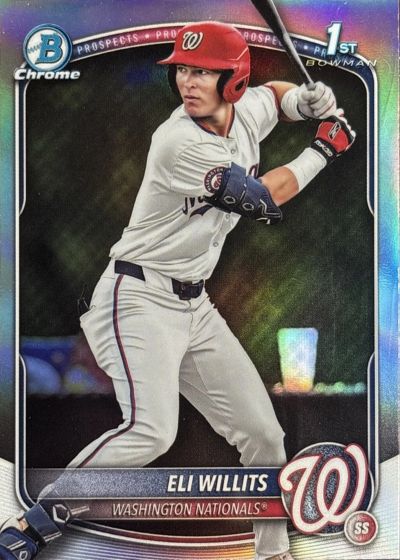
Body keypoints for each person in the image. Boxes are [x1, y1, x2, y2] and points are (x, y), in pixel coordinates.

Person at [0, 21, 355, 560]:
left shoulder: (243, 111)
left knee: (263, 433)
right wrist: (322, 150)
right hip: (137, 297)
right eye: (182, 70)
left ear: (233, 82)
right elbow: (261, 198)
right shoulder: (177, 141)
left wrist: (302, 102)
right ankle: (35, 522)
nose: (187, 81)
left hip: (195, 305)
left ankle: (274, 553)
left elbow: (273, 97)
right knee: (153, 430)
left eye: (203, 72)